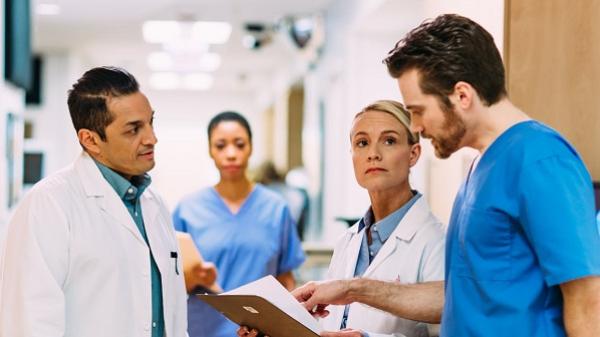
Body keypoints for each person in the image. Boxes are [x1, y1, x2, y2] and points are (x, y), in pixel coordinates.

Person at [289, 14, 600, 337]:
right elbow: (457, 297)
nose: (417, 127)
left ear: (462, 96)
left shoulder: (540, 159)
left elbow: (587, 302)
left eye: (419, 111)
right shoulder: (481, 170)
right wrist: (352, 289)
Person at [0, 66, 187, 337]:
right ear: (90, 140)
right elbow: (30, 324)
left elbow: (171, 316)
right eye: (134, 129)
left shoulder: (154, 203)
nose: (151, 138)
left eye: (150, 122)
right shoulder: (49, 205)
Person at [239, 100, 445, 337]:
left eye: (389, 141)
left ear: (413, 154)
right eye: (362, 143)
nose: (373, 154)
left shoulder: (437, 241)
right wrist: (280, 329)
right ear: (352, 155)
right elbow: (332, 327)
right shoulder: (349, 241)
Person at [172, 111, 306, 337]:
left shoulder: (276, 208)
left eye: (240, 144)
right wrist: (193, 278)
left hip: (261, 333)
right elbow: (169, 282)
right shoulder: (188, 209)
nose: (231, 154)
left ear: (251, 148)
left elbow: (286, 279)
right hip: (202, 331)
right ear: (210, 150)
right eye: (221, 145)